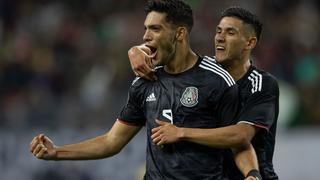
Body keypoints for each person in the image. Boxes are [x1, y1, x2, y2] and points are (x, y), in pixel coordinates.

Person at [30, 1, 260, 179]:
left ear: (179, 34)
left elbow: (239, 142)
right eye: (145, 28)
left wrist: (252, 174)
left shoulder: (218, 80)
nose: (145, 36)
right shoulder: (144, 82)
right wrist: (57, 152)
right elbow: (111, 142)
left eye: (155, 29)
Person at [128, 6, 279, 180]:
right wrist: (134, 51)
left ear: (250, 43)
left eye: (230, 33)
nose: (220, 38)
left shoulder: (261, 84)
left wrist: (181, 132)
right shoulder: (206, 75)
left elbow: (241, 135)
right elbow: (165, 43)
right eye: (218, 31)